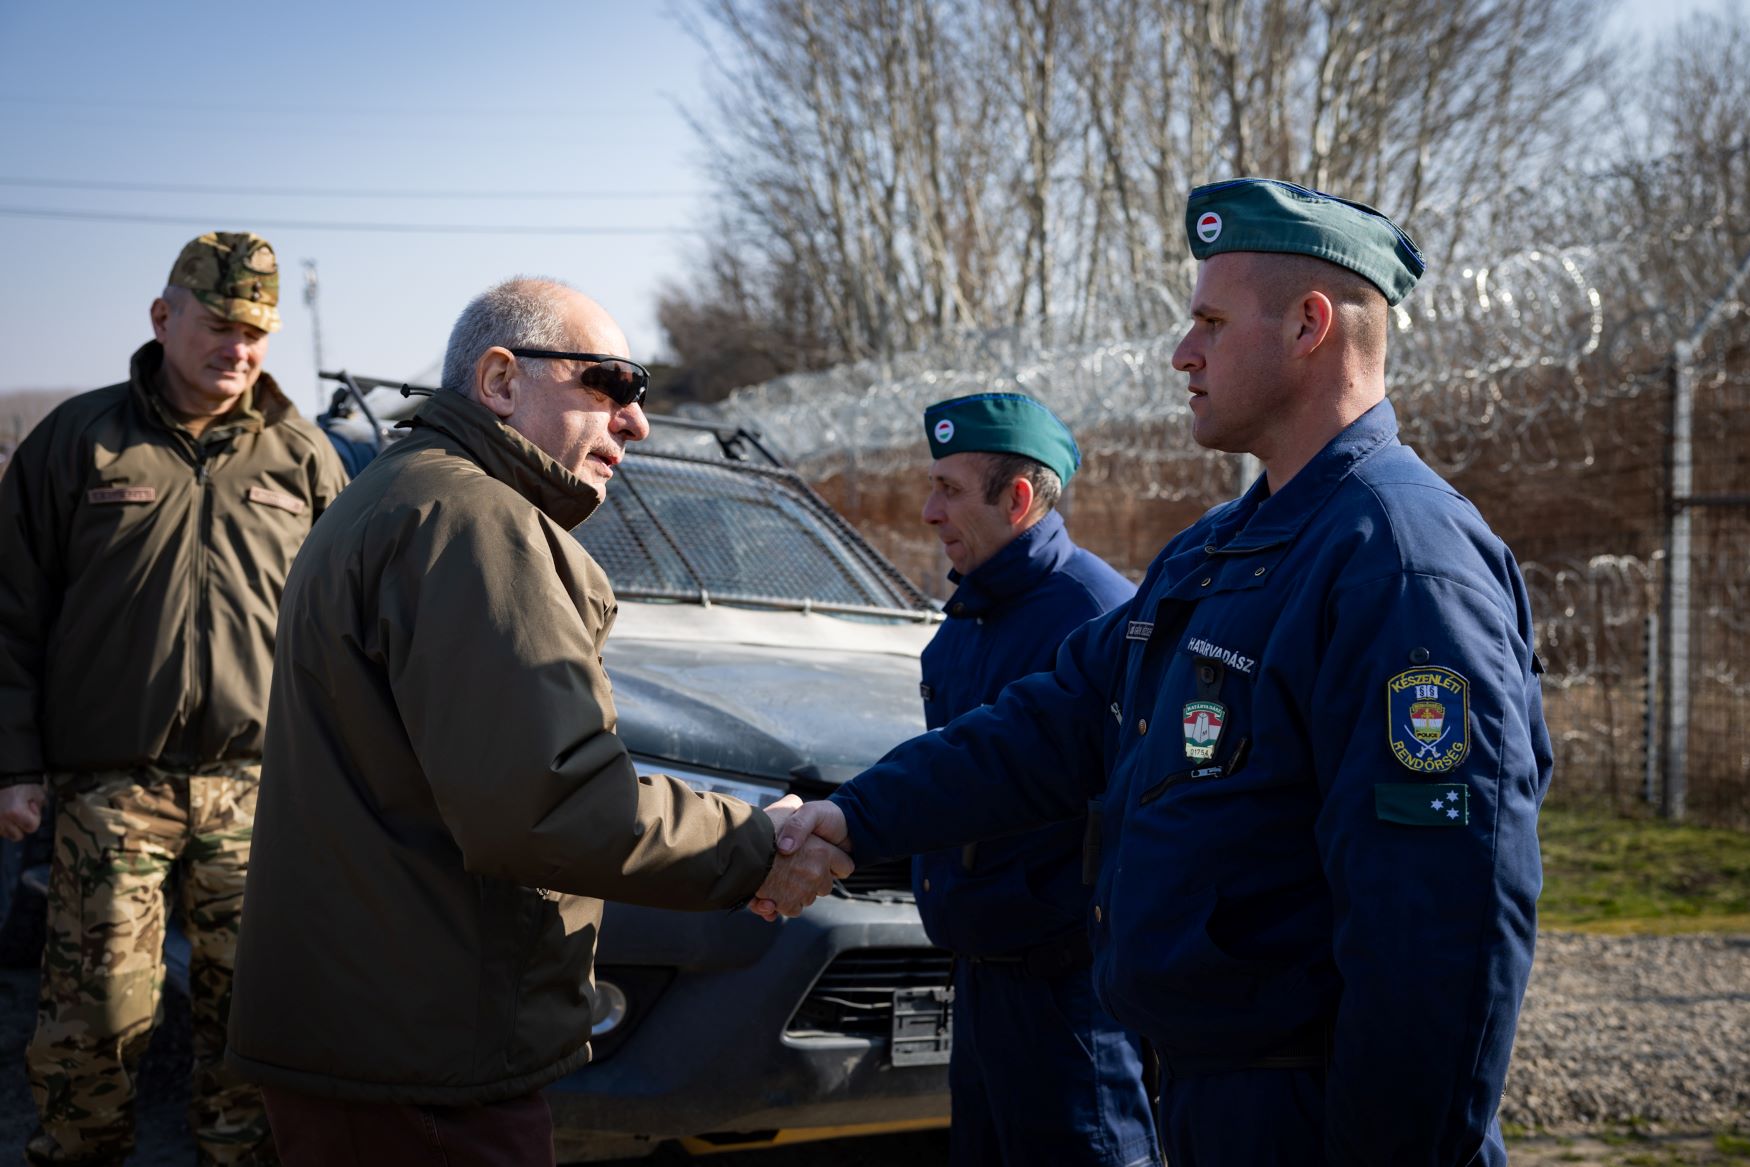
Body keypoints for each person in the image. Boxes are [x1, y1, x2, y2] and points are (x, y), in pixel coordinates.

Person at [762, 179, 1553, 1166]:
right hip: (1204, 1093)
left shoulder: (1397, 558)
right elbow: (1053, 722)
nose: (1182, 354)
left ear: (1309, 326)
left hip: (1309, 1112)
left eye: (1210, 323)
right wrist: (851, 818)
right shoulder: (1221, 550)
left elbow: (1439, 923)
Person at [224, 277, 846, 1166]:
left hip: (377, 1038)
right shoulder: (473, 520)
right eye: (611, 384)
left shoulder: (404, 497)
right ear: (502, 380)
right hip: (425, 1057)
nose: (636, 421)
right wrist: (758, 842)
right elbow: (548, 801)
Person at [0, 232, 348, 1166]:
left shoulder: (303, 457)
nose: (238, 348)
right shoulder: (81, 440)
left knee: (257, 1019)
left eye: (257, 332)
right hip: (115, 786)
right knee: (97, 1018)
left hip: (261, 789)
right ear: (164, 318)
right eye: (221, 325)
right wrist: (14, 764)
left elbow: (349, 638)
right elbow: (10, 613)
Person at [910, 393, 1157, 1167]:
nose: (927, 509)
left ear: (1017, 499)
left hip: (1073, 1001)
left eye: (949, 488)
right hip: (984, 988)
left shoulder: (1097, 617)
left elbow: (1145, 819)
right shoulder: (969, 615)